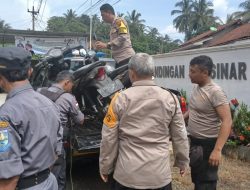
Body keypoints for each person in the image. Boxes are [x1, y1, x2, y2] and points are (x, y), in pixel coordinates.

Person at [99, 53, 189, 190]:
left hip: (127, 176)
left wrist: (105, 167)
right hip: (159, 176)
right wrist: (182, 161)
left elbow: (108, 138)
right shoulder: (170, 98)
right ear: (153, 72)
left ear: (131, 73)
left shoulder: (119, 99)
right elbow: (180, 134)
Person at [0, 47, 62, 190]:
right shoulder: (49, 103)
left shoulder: (6, 114)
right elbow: (56, 148)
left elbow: (8, 178)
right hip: (49, 181)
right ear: (30, 72)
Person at [185, 55, 232, 190]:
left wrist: (217, 150)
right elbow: (193, 110)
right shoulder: (197, 88)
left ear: (205, 73)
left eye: (193, 71)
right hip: (195, 143)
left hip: (208, 145)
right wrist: (180, 119)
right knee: (198, 180)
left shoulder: (215, 92)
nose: (189, 75)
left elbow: (227, 121)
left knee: (206, 184)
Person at [38, 70, 85, 190]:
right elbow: (80, 120)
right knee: (58, 175)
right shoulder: (68, 97)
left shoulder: (39, 91)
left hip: (37, 139)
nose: (72, 87)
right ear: (66, 82)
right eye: (72, 85)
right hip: (57, 142)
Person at [95, 3, 135, 68]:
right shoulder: (113, 26)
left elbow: (123, 36)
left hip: (126, 58)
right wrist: (104, 46)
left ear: (109, 12)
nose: (102, 18)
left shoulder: (119, 21)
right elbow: (116, 45)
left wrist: (106, 44)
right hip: (119, 60)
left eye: (103, 15)